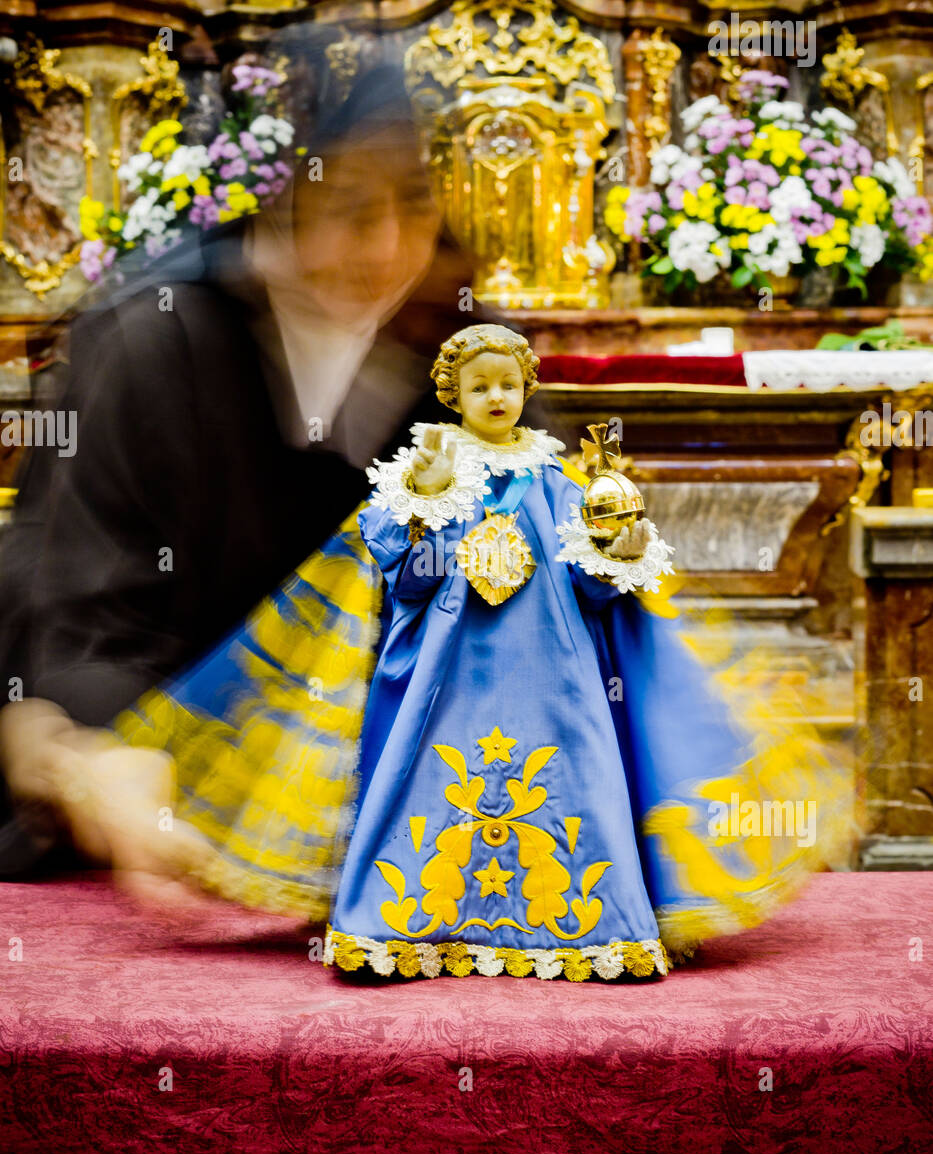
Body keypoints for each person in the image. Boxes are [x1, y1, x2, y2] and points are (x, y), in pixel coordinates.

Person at [108, 324, 850, 976]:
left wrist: (614, 545)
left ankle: (587, 920)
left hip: (555, 676)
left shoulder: (560, 480)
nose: (495, 398)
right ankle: (408, 916)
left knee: (573, 770)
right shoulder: (424, 474)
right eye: (478, 386)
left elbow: (595, 588)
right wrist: (426, 514)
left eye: (507, 384)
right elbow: (400, 581)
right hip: (444, 675)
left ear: (525, 390)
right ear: (452, 395)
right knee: (423, 773)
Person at [0, 62, 476, 884]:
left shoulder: (460, 350)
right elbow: (87, 619)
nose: (391, 247)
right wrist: (114, 768)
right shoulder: (155, 344)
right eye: (352, 208)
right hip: (129, 763)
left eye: (416, 205)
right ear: (279, 203)